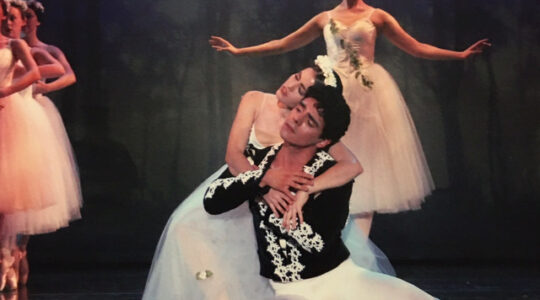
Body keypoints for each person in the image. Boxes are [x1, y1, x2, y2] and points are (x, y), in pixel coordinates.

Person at [209, 0, 491, 236]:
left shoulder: (377, 17)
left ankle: (360, 249)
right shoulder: (325, 18)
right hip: (333, 95)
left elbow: (415, 46)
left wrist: (460, 55)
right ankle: (319, 238)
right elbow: (284, 43)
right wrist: (240, 51)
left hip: (367, 97)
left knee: (366, 168)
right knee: (324, 165)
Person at [142, 62, 393, 300]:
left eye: (301, 90)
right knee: (189, 234)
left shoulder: (312, 125)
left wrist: (307, 190)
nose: (290, 87)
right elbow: (233, 156)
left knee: (262, 262)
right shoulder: (255, 100)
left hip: (273, 208)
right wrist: (265, 184)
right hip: (243, 181)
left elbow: (352, 166)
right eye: (295, 77)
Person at [204, 83, 436, 300]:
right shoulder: (260, 159)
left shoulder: (330, 176)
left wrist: (298, 194)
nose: (295, 119)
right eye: (300, 108)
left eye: (309, 122)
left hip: (333, 285)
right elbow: (212, 201)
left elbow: (317, 244)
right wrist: (263, 179)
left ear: (323, 141)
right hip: (283, 290)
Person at [0, 0, 81, 289]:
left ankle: (15, 254)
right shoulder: (11, 46)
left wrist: (43, 86)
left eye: (27, 17)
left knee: (24, 192)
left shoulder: (38, 48)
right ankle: (10, 260)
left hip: (27, 114)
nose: (22, 21)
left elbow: (65, 72)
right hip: (11, 112)